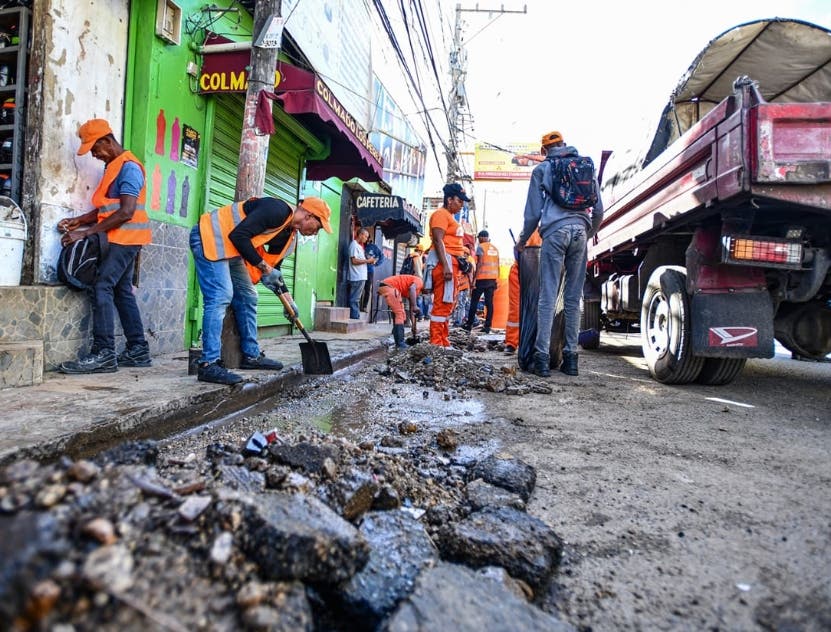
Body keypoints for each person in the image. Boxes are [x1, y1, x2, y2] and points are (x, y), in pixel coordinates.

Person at [189, 196, 333, 385]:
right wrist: (265, 268)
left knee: (248, 296)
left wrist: (289, 301)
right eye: (319, 226)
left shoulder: (289, 238)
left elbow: (273, 271)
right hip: (209, 236)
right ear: (309, 215)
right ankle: (209, 363)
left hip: (230, 249)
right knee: (221, 295)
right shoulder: (276, 210)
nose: (316, 233)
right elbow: (238, 236)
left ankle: (251, 355)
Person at [58, 119, 152, 374]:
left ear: (107, 141)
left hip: (125, 239)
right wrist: (80, 220)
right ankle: (137, 350)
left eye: (95, 149)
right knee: (121, 291)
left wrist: (85, 233)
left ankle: (104, 353)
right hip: (119, 238)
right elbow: (106, 208)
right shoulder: (114, 167)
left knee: (102, 286)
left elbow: (126, 212)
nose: (94, 154)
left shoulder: (129, 168)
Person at [517, 130, 604, 377]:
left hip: (555, 233)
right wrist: (587, 233)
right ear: (565, 144)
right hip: (580, 231)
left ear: (545, 150)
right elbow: (598, 210)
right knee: (573, 298)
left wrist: (523, 241)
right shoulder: (584, 165)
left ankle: (542, 359)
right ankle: (571, 359)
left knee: (547, 297)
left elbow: (533, 214)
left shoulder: (542, 169)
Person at [428, 182, 469, 346]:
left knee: (447, 304)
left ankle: (442, 340)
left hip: (452, 263)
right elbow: (438, 240)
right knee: (442, 304)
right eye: (459, 201)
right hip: (445, 262)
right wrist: (446, 266)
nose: (461, 205)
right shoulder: (441, 214)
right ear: (450, 199)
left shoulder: (449, 217)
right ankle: (437, 342)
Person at [504, 229, 541, 354]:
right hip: (522, 272)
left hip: (534, 273)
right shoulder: (536, 230)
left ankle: (523, 343)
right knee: (517, 308)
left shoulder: (544, 230)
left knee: (534, 309)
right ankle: (513, 343)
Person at [464, 230, 499, 334]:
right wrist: (496, 280)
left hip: (481, 279)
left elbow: (479, 264)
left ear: (483, 237)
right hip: (492, 280)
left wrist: (474, 280)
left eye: (479, 238)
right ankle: (487, 326)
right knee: (489, 303)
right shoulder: (495, 249)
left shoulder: (481, 247)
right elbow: (497, 265)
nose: (478, 240)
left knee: (474, 302)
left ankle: (469, 325)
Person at [377, 273, 423, 349]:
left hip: (387, 286)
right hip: (389, 286)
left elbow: (412, 309)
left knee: (401, 314)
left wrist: (413, 326)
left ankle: (398, 341)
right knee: (400, 314)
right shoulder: (419, 282)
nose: (428, 293)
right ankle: (400, 344)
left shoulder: (416, 291)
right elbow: (412, 289)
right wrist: (415, 306)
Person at [347, 228, 375, 319]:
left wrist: (369, 260)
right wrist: (367, 261)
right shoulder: (354, 245)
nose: (366, 239)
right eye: (365, 236)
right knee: (355, 299)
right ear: (360, 235)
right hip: (356, 276)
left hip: (361, 276)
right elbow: (354, 261)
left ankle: (355, 316)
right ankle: (354, 317)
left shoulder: (359, 246)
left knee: (356, 298)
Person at [452, 244, 475, 326]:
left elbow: (470, 275)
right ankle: (472, 320)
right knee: (464, 304)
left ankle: (459, 321)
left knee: (462, 304)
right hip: (461, 286)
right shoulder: (463, 262)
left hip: (464, 286)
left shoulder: (467, 263)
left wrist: (472, 284)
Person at [361, 234, 384, 313]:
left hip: (369, 271)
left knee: (367, 289)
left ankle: (364, 306)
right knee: (360, 288)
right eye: (365, 237)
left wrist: (376, 264)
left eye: (367, 237)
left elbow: (382, 256)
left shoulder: (373, 247)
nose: (366, 239)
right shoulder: (360, 245)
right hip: (359, 270)